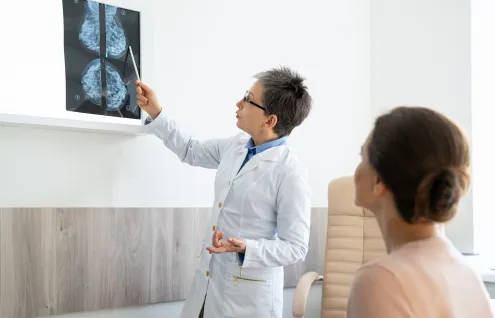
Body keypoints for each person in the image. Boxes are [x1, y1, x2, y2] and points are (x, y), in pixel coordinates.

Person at [135, 66, 313, 318]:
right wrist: (156, 112)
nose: (239, 103)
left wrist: (247, 248)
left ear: (269, 120)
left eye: (249, 100)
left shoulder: (290, 173)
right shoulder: (237, 146)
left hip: (249, 299)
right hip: (210, 282)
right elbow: (191, 150)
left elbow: (295, 247)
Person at [349, 106, 494, 317]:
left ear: (378, 181)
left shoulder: (380, 280)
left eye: (362, 157)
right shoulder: (466, 273)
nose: (356, 171)